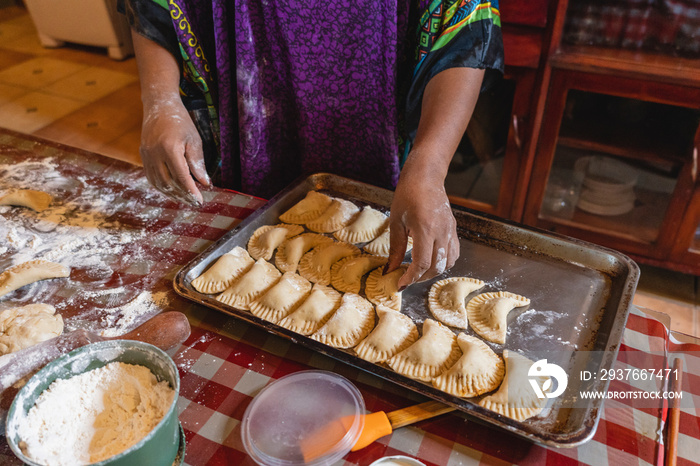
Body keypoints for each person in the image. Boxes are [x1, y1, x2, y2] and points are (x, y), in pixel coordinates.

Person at [119, 0, 504, 289]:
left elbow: (465, 19)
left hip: (375, 118)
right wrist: (159, 100)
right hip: (247, 105)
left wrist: (429, 166)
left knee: (372, 258)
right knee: (247, 265)